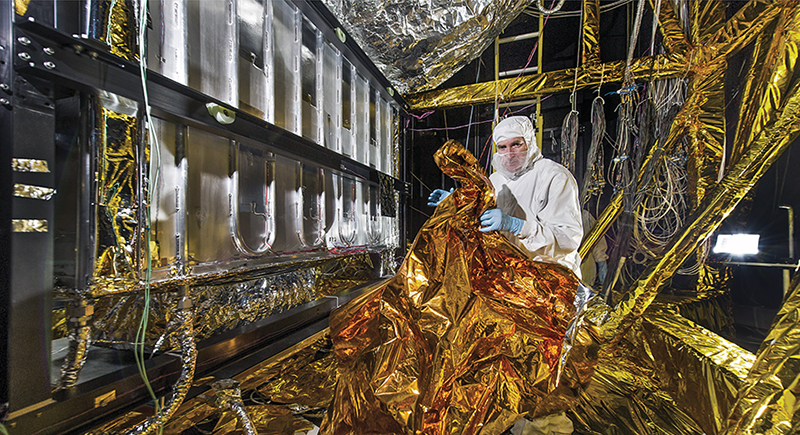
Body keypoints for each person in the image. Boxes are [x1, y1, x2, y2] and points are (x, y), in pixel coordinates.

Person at [429, 115, 583, 278]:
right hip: (512, 276)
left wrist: (517, 225)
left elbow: (567, 240)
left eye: (516, 144)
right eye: (502, 147)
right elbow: (480, 220)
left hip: (551, 278)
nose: (509, 155)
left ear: (529, 142)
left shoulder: (553, 177)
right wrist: (457, 203)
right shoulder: (496, 180)